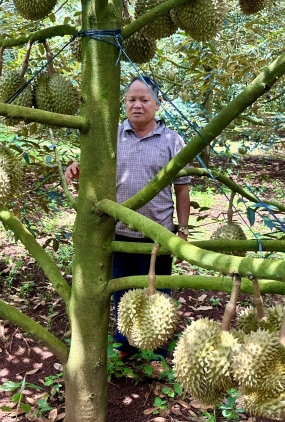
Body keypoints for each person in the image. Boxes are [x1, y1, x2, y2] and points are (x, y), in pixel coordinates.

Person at [64, 75, 191, 359]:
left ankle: (157, 350)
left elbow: (182, 190)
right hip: (117, 231)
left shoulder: (173, 140)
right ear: (123, 102)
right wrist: (77, 167)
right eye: (131, 99)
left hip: (158, 233)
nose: (137, 105)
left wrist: (182, 230)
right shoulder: (111, 136)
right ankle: (125, 345)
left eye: (144, 100)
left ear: (158, 104)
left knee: (158, 293)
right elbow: (91, 168)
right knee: (121, 289)